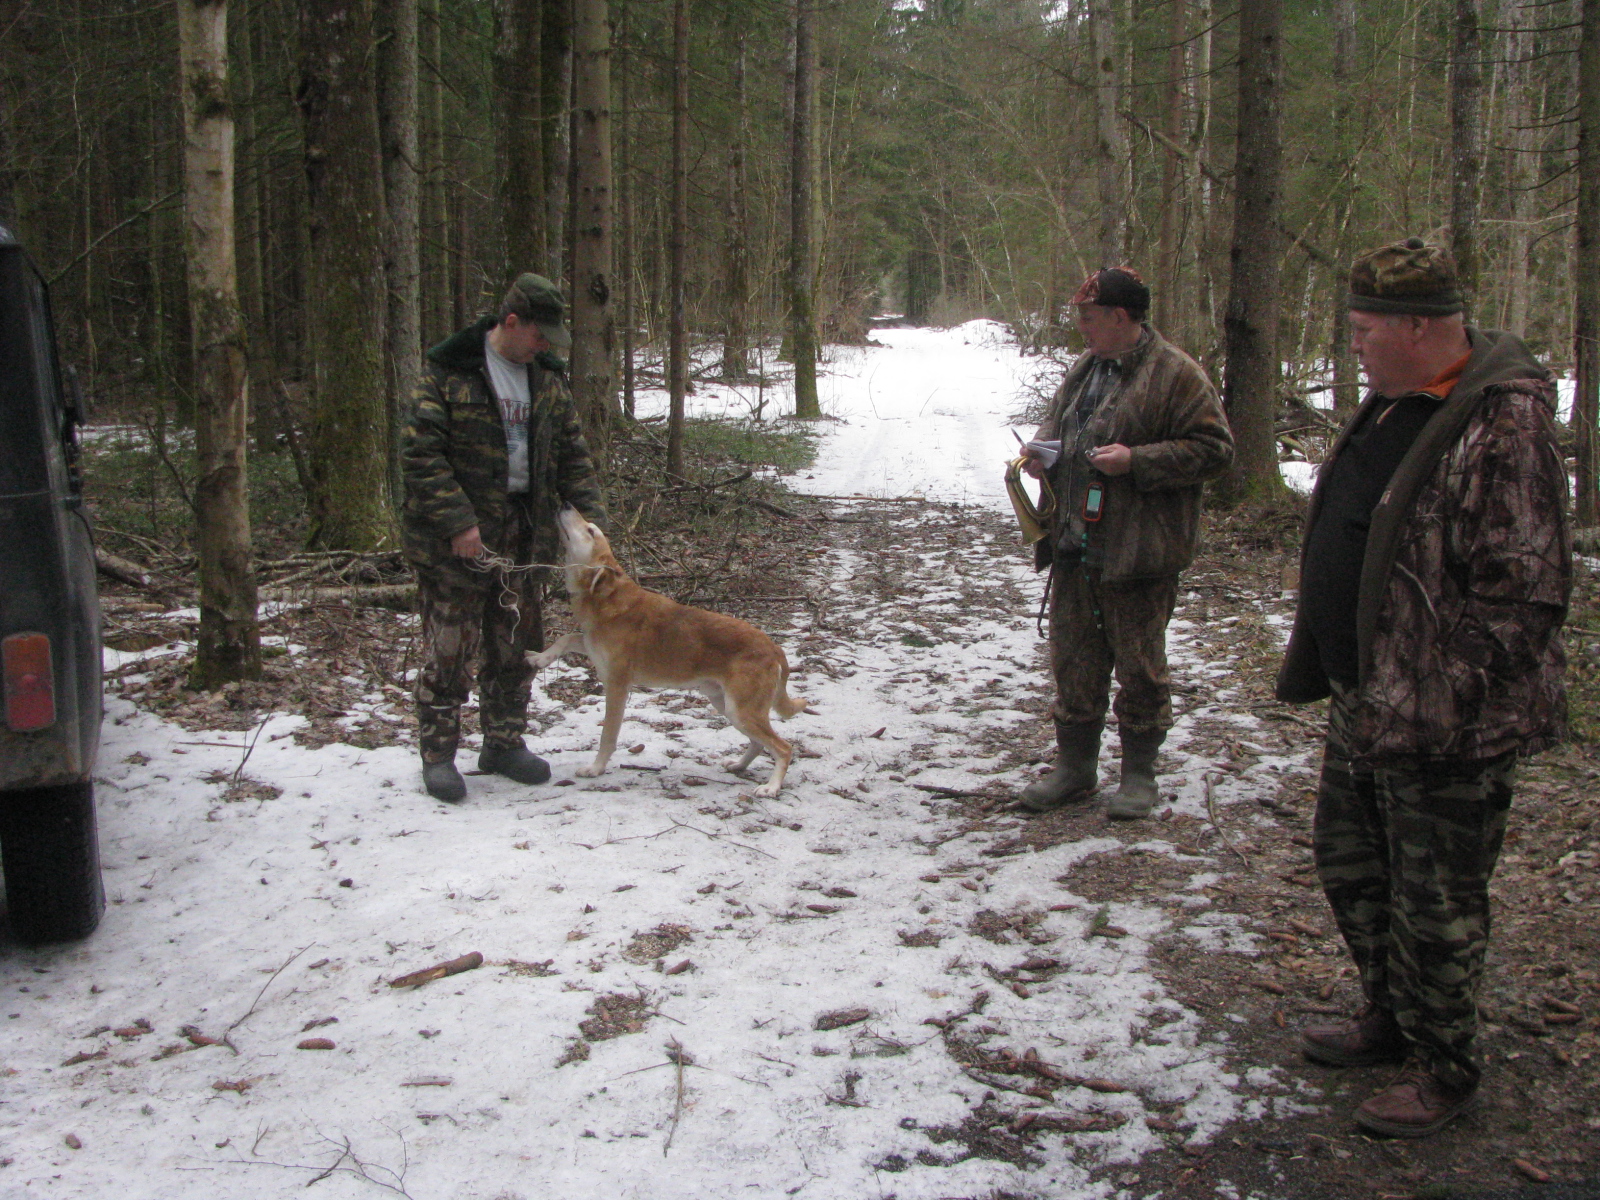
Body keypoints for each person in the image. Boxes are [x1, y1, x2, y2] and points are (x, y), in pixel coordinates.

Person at [1279, 237, 1570, 1138]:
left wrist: (1445, 698)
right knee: (1351, 861)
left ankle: (1444, 1068)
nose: (1355, 344)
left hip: (1448, 719)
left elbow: (1524, 593)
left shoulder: (1503, 425)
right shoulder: (1395, 402)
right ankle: (1392, 1017)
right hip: (1368, 694)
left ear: (1417, 327)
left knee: (1436, 900)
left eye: (1366, 329)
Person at [1018, 268, 1233, 819]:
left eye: (1089, 318)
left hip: (1140, 552)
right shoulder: (1085, 368)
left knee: (1140, 667)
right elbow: (1058, 427)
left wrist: (1137, 461)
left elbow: (1215, 450)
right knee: (1073, 662)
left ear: (1120, 317)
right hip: (1073, 546)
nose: (1081, 328)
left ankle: (1139, 776)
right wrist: (1041, 453)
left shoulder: (1177, 374)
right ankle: (1075, 770)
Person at [401, 273, 606, 803]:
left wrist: (594, 526)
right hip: (456, 539)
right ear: (511, 322)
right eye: (538, 335)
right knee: (450, 647)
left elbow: (573, 455)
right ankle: (438, 755)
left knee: (517, 642)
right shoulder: (450, 371)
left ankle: (503, 743)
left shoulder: (547, 379)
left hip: (526, 532)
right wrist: (458, 522)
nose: (544, 346)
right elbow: (421, 455)